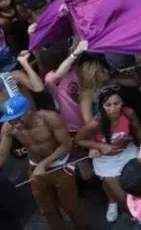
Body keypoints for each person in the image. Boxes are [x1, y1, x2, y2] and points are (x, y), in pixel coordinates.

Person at [0, 94, 88, 230]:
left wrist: (43, 164)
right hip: (35, 169)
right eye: (10, 120)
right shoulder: (9, 128)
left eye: (18, 118)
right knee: (47, 211)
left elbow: (66, 145)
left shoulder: (49, 118)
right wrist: (39, 166)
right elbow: (2, 154)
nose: (14, 123)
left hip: (60, 166)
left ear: (29, 112)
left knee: (71, 206)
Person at [75, 85, 141, 222]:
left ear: (122, 103)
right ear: (102, 106)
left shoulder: (129, 113)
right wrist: (99, 146)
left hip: (127, 152)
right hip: (106, 160)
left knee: (139, 188)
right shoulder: (96, 122)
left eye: (116, 104)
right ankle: (131, 214)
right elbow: (78, 139)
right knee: (122, 198)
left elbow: (138, 130)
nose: (113, 109)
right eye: (108, 105)